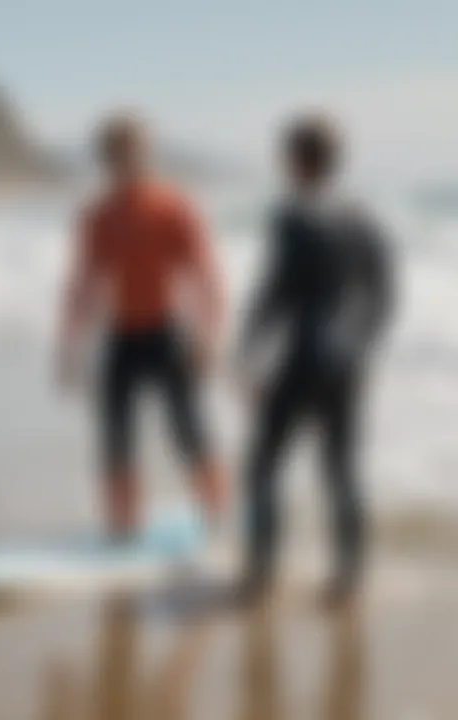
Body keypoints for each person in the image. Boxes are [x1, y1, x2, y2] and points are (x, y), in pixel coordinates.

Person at [238, 115, 394, 606]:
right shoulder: (364, 216)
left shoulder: (292, 215)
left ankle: (262, 574)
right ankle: (351, 575)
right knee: (342, 469)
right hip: (348, 360)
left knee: (263, 466)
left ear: (294, 160)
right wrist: (365, 351)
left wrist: (249, 352)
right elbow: (384, 295)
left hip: (303, 355)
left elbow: (277, 292)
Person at [57, 113, 229, 538]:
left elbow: (206, 277)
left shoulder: (172, 206)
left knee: (188, 430)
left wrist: (208, 336)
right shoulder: (98, 216)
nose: (126, 162)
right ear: (104, 159)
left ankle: (220, 518)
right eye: (116, 155)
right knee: (114, 438)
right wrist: (69, 346)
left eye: (133, 153)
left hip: (169, 334)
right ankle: (122, 529)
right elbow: (84, 284)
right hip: (122, 336)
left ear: (146, 154)